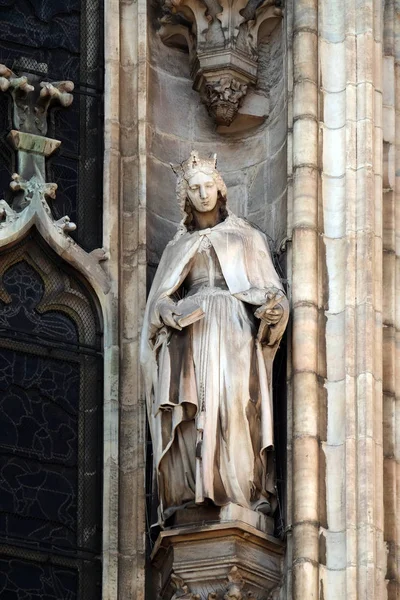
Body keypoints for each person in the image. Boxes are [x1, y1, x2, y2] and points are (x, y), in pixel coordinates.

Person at [140, 151, 289, 525]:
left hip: (234, 332)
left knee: (236, 409)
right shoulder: (177, 247)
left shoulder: (247, 237)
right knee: (192, 412)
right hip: (189, 334)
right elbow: (159, 299)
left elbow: (272, 292)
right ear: (186, 196)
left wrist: (274, 311)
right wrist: (166, 312)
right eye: (195, 188)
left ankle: (238, 489)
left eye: (208, 186)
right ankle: (191, 490)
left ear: (220, 189)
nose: (203, 193)